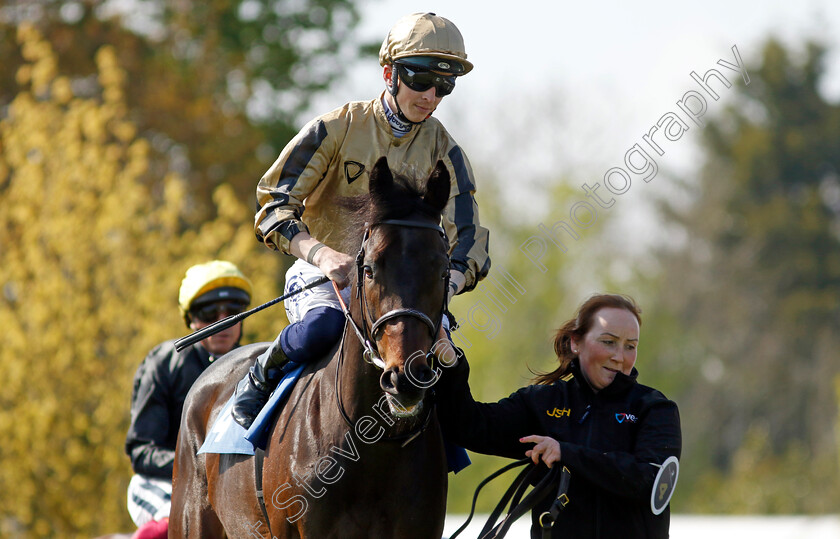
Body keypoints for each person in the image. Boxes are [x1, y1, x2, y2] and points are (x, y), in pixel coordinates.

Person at [231, 12, 491, 429]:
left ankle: (448, 453)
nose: (431, 95)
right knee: (323, 329)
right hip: (327, 276)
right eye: (422, 80)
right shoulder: (336, 128)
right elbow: (273, 204)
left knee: (445, 364)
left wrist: (446, 285)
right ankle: (261, 375)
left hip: (406, 290)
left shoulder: (447, 151)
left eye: (445, 85)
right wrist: (321, 255)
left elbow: (470, 241)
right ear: (390, 73)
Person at [434, 294, 682, 538]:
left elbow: (648, 481)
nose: (619, 356)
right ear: (576, 342)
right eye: (609, 342)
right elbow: (470, 427)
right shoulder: (541, 402)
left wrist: (565, 453)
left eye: (630, 346)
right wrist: (450, 365)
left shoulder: (655, 408)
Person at [124, 260, 252, 538]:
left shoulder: (259, 366)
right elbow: (141, 452)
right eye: (209, 312)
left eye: (234, 311)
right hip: (160, 483)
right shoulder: (163, 363)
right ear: (190, 320)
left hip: (229, 484)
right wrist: (203, 468)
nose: (223, 321)